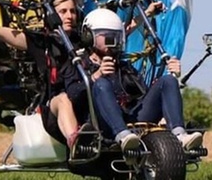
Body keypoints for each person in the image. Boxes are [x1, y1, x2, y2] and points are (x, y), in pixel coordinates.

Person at [0, 0, 82, 152]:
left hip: (82, 100)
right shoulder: (40, 42)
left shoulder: (83, 41)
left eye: (72, 11)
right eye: (63, 11)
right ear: (52, 15)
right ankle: (77, 144)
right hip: (55, 107)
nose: (69, 16)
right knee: (64, 99)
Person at [62, 8, 203, 152]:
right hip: (101, 123)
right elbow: (72, 94)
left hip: (131, 121)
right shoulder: (79, 63)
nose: (112, 41)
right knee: (102, 84)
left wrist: (172, 75)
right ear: (89, 36)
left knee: (167, 81)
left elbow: (143, 95)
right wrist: (96, 75)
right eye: (107, 36)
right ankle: (122, 136)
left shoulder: (123, 66)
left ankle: (179, 134)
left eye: (115, 36)